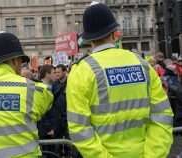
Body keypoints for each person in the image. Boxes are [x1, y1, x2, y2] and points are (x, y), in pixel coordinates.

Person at [66, 3, 173, 158]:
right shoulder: (142, 64)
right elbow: (162, 115)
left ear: (88, 39)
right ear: (114, 33)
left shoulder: (81, 71)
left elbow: (79, 129)